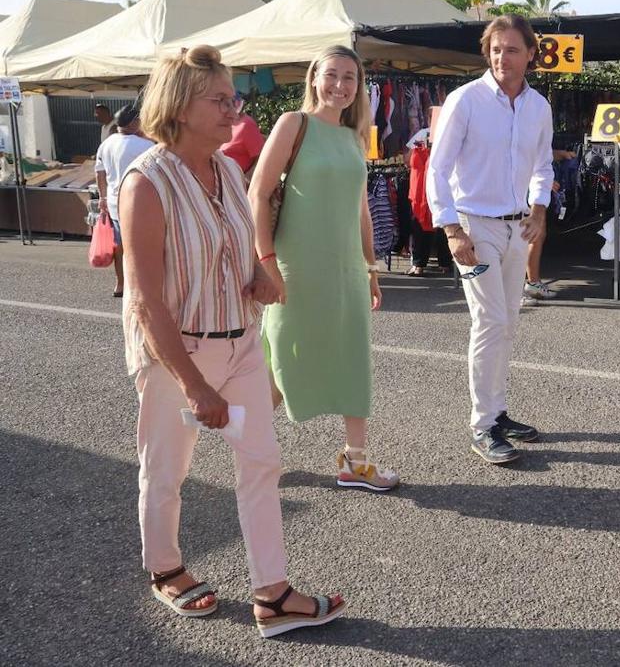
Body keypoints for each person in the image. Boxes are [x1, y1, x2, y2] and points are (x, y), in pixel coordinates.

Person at [119, 45, 344, 637]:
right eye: (219, 100)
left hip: (240, 340)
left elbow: (231, 252)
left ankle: (271, 593)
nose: (233, 110)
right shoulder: (145, 183)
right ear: (179, 107)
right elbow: (145, 301)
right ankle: (165, 567)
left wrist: (258, 276)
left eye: (233, 98)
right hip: (176, 355)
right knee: (167, 468)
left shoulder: (228, 169)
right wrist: (195, 387)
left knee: (262, 463)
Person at [249, 46, 396, 492]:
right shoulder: (294, 124)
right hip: (295, 265)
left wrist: (370, 267)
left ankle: (356, 462)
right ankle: (251, 453)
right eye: (332, 75)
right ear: (314, 78)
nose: (340, 85)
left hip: (346, 268)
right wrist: (266, 263)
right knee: (283, 362)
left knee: (353, 359)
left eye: (350, 77)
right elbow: (257, 192)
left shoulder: (355, 135)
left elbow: (361, 210)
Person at [427, 14, 553, 465]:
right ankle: (482, 426)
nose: (503, 57)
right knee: (490, 320)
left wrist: (539, 209)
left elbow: (543, 167)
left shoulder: (539, 106)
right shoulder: (466, 100)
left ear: (531, 54)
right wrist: (451, 229)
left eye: (512, 48)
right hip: (475, 228)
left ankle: (497, 413)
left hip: (517, 227)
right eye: (496, 49)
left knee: (509, 322)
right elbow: (436, 169)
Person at [94, 103, 154, 296]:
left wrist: (102, 197)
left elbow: (99, 173)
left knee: (120, 245)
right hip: (139, 203)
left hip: (113, 202)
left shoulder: (107, 144)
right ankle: (140, 284)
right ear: (135, 122)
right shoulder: (145, 146)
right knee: (141, 245)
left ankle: (120, 284)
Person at [523, 147, 577, 305]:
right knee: (528, 237)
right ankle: (525, 286)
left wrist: (559, 154)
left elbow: (538, 152)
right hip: (520, 190)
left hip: (529, 188)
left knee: (535, 235)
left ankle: (532, 283)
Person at [406, 127, 452, 276]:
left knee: (442, 225)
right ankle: (436, 264)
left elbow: (407, 159)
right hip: (421, 189)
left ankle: (434, 263)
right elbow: (408, 159)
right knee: (429, 226)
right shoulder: (422, 135)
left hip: (435, 187)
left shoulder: (450, 132)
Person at [220, 94, 266, 178]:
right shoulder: (225, 125)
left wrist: (245, 181)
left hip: (238, 182)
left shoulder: (246, 125)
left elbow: (263, 157)